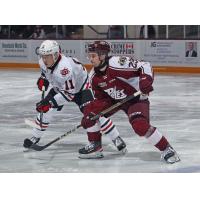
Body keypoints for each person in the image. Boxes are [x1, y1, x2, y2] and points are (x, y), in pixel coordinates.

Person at [80, 40, 180, 164]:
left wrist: (145, 81)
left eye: (93, 56)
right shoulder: (94, 76)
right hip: (115, 100)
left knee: (140, 126)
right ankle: (96, 146)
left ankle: (167, 149)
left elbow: (145, 66)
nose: (90, 59)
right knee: (90, 113)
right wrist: (92, 113)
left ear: (102, 55)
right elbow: (100, 99)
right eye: (89, 56)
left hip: (135, 99)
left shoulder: (117, 63)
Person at [23, 40, 127, 158]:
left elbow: (69, 95)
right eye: (43, 56)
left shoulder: (64, 69)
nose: (44, 59)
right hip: (60, 87)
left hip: (82, 88)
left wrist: (50, 102)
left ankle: (115, 137)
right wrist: (44, 79)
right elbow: (46, 73)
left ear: (56, 55)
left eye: (47, 56)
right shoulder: (43, 62)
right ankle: (35, 137)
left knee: (93, 115)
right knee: (45, 110)